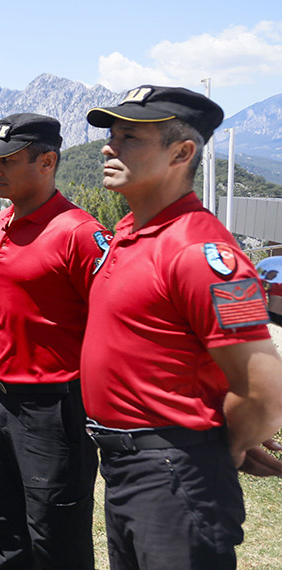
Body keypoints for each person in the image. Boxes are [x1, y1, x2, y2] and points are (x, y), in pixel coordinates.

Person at [82, 85, 282, 569]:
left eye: (129, 138)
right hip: (130, 464)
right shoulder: (132, 233)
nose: (109, 146)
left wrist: (226, 445)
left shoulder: (200, 253)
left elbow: (264, 389)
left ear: (182, 152)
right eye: (112, 135)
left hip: (174, 471)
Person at [0, 114, 105, 569]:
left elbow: (112, 322)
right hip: (3, 398)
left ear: (47, 161)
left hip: (56, 408)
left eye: (7, 161)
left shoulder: (78, 233)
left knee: (55, 531)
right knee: (3, 513)